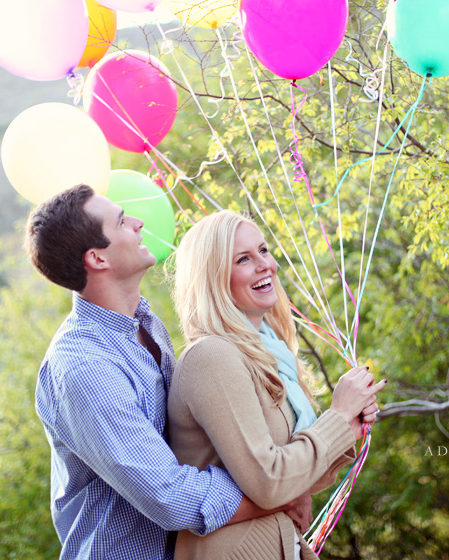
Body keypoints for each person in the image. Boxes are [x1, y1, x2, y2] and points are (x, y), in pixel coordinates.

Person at [24, 185, 312, 560]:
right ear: (97, 258)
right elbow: (170, 496)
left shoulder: (145, 323)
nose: (140, 223)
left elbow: (191, 445)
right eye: (123, 221)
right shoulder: (84, 368)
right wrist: (273, 494)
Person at [168, 210, 386, 559]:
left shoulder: (267, 353)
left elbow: (298, 480)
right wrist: (338, 416)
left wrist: (350, 426)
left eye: (264, 250)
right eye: (243, 259)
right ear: (213, 277)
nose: (264, 264)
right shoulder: (212, 357)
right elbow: (270, 482)